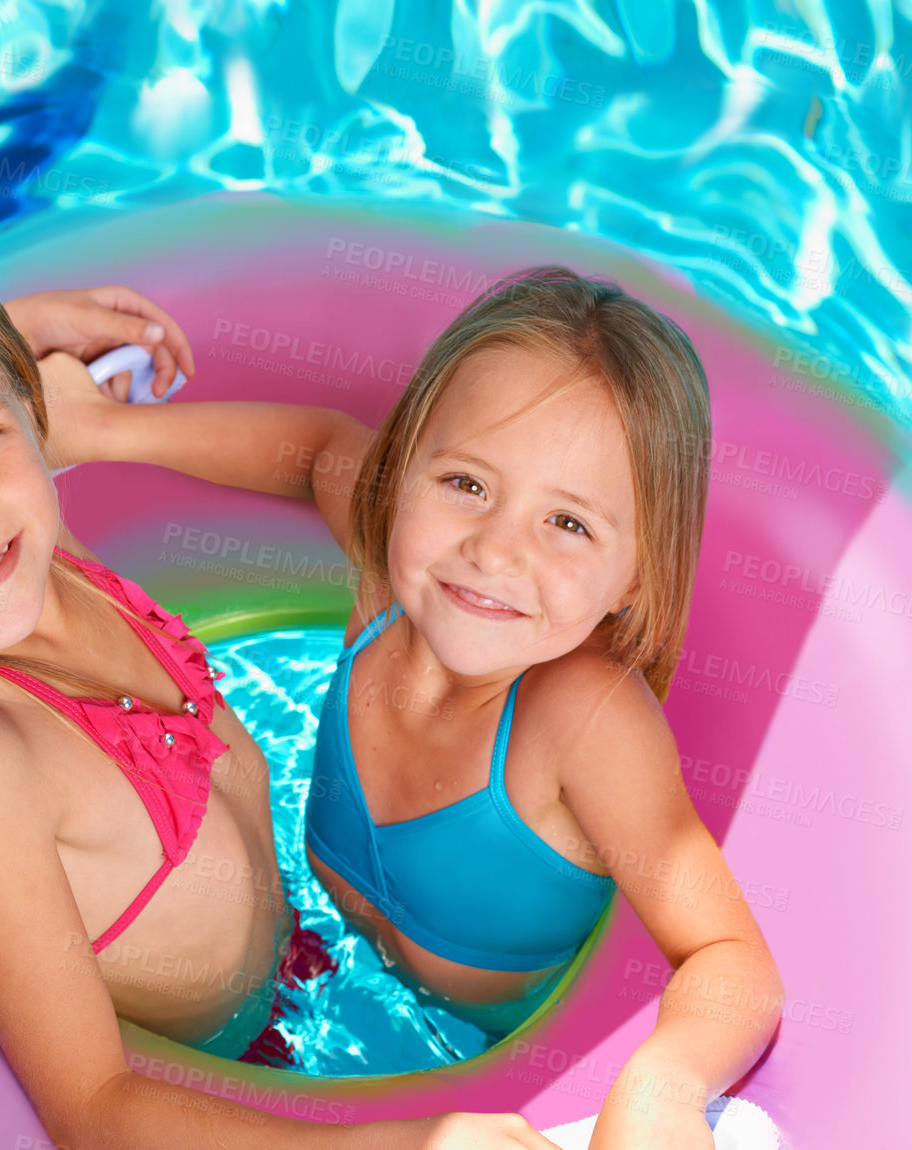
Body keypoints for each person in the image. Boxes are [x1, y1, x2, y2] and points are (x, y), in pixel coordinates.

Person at [0, 209, 561, 1150]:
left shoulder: (23, 563)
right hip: (235, 1087)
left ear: (25, 412)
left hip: (303, 959)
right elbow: (93, 1109)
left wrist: (54, 376)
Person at [44, 265, 786, 1149]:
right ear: (401, 477)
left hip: (477, 1038)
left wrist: (663, 1086)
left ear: (633, 579)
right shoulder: (383, 579)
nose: (493, 551)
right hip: (306, 942)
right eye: (466, 484)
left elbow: (729, 959)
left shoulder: (581, 721)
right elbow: (321, 448)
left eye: (569, 524)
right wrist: (102, 427)